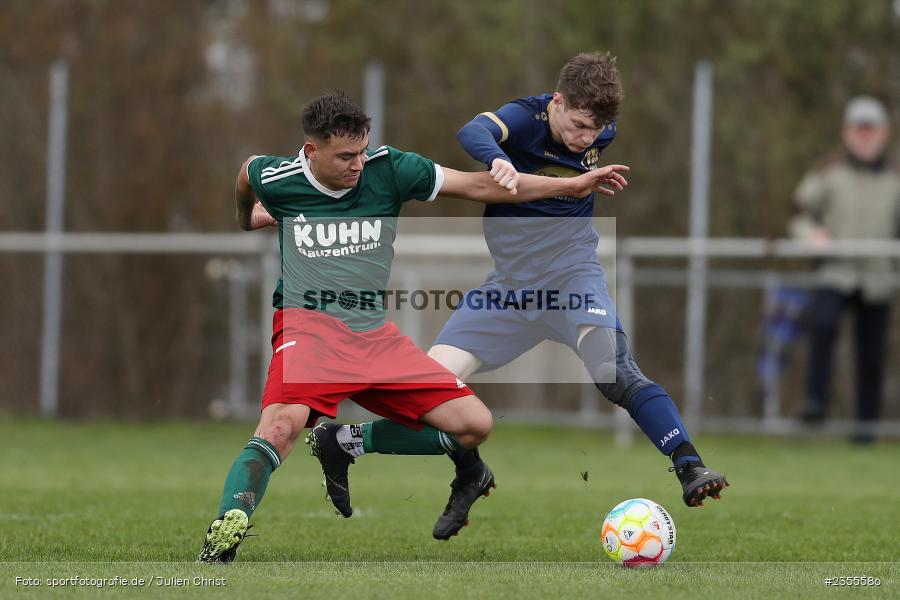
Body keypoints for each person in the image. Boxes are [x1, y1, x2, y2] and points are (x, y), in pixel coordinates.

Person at [197, 91, 629, 562]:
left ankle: (343, 442)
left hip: (372, 336)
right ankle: (227, 529)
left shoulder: (391, 168)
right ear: (310, 151)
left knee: (474, 424)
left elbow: (482, 186)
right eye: (345, 156)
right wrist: (249, 218)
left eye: (362, 151)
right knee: (281, 427)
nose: (358, 164)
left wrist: (573, 186)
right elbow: (246, 175)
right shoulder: (278, 177)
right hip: (310, 328)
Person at [318, 52, 727, 540]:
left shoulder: (601, 129)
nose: (584, 139)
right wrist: (498, 160)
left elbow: (589, 136)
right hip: (508, 291)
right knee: (433, 396)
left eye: (594, 131)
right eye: (576, 125)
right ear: (556, 102)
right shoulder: (524, 119)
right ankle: (360, 445)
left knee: (614, 372)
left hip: (572, 278)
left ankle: (689, 466)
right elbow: (472, 131)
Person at [793, 96, 900, 443]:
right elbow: (800, 215)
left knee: (872, 354)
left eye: (872, 130)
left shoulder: (894, 178)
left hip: (878, 277)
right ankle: (815, 403)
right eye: (860, 130)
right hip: (835, 272)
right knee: (822, 326)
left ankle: (865, 430)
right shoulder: (829, 173)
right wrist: (812, 235)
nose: (866, 137)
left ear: (884, 133)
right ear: (847, 133)